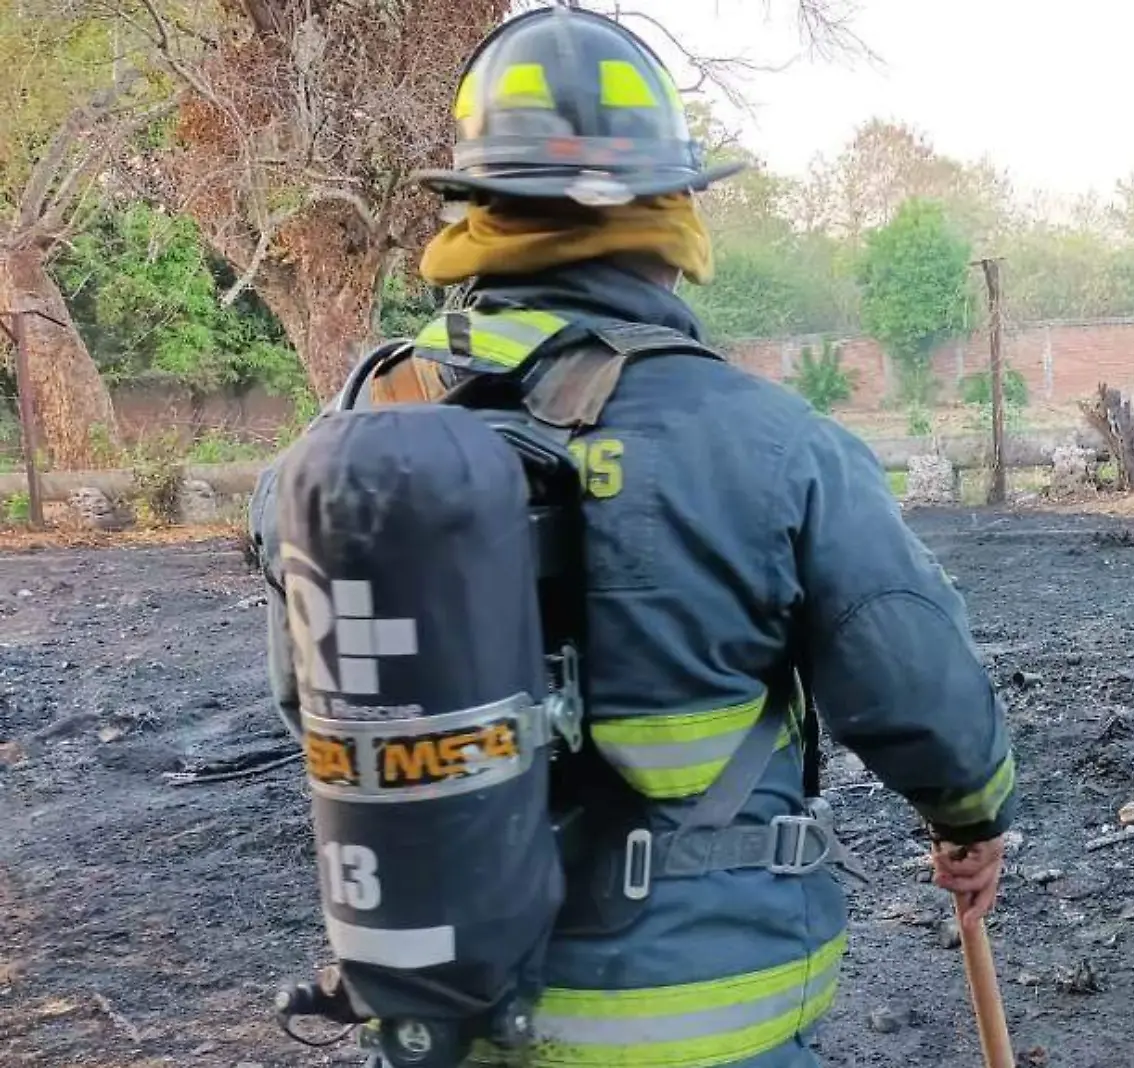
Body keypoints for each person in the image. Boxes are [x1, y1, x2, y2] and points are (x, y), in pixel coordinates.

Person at [249, 7, 1017, 1066]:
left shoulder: (355, 443)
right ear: (669, 216)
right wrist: (970, 818)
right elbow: (919, 690)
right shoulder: (773, 443)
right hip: (712, 1022)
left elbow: (318, 706)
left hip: (456, 1016)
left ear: (478, 211)